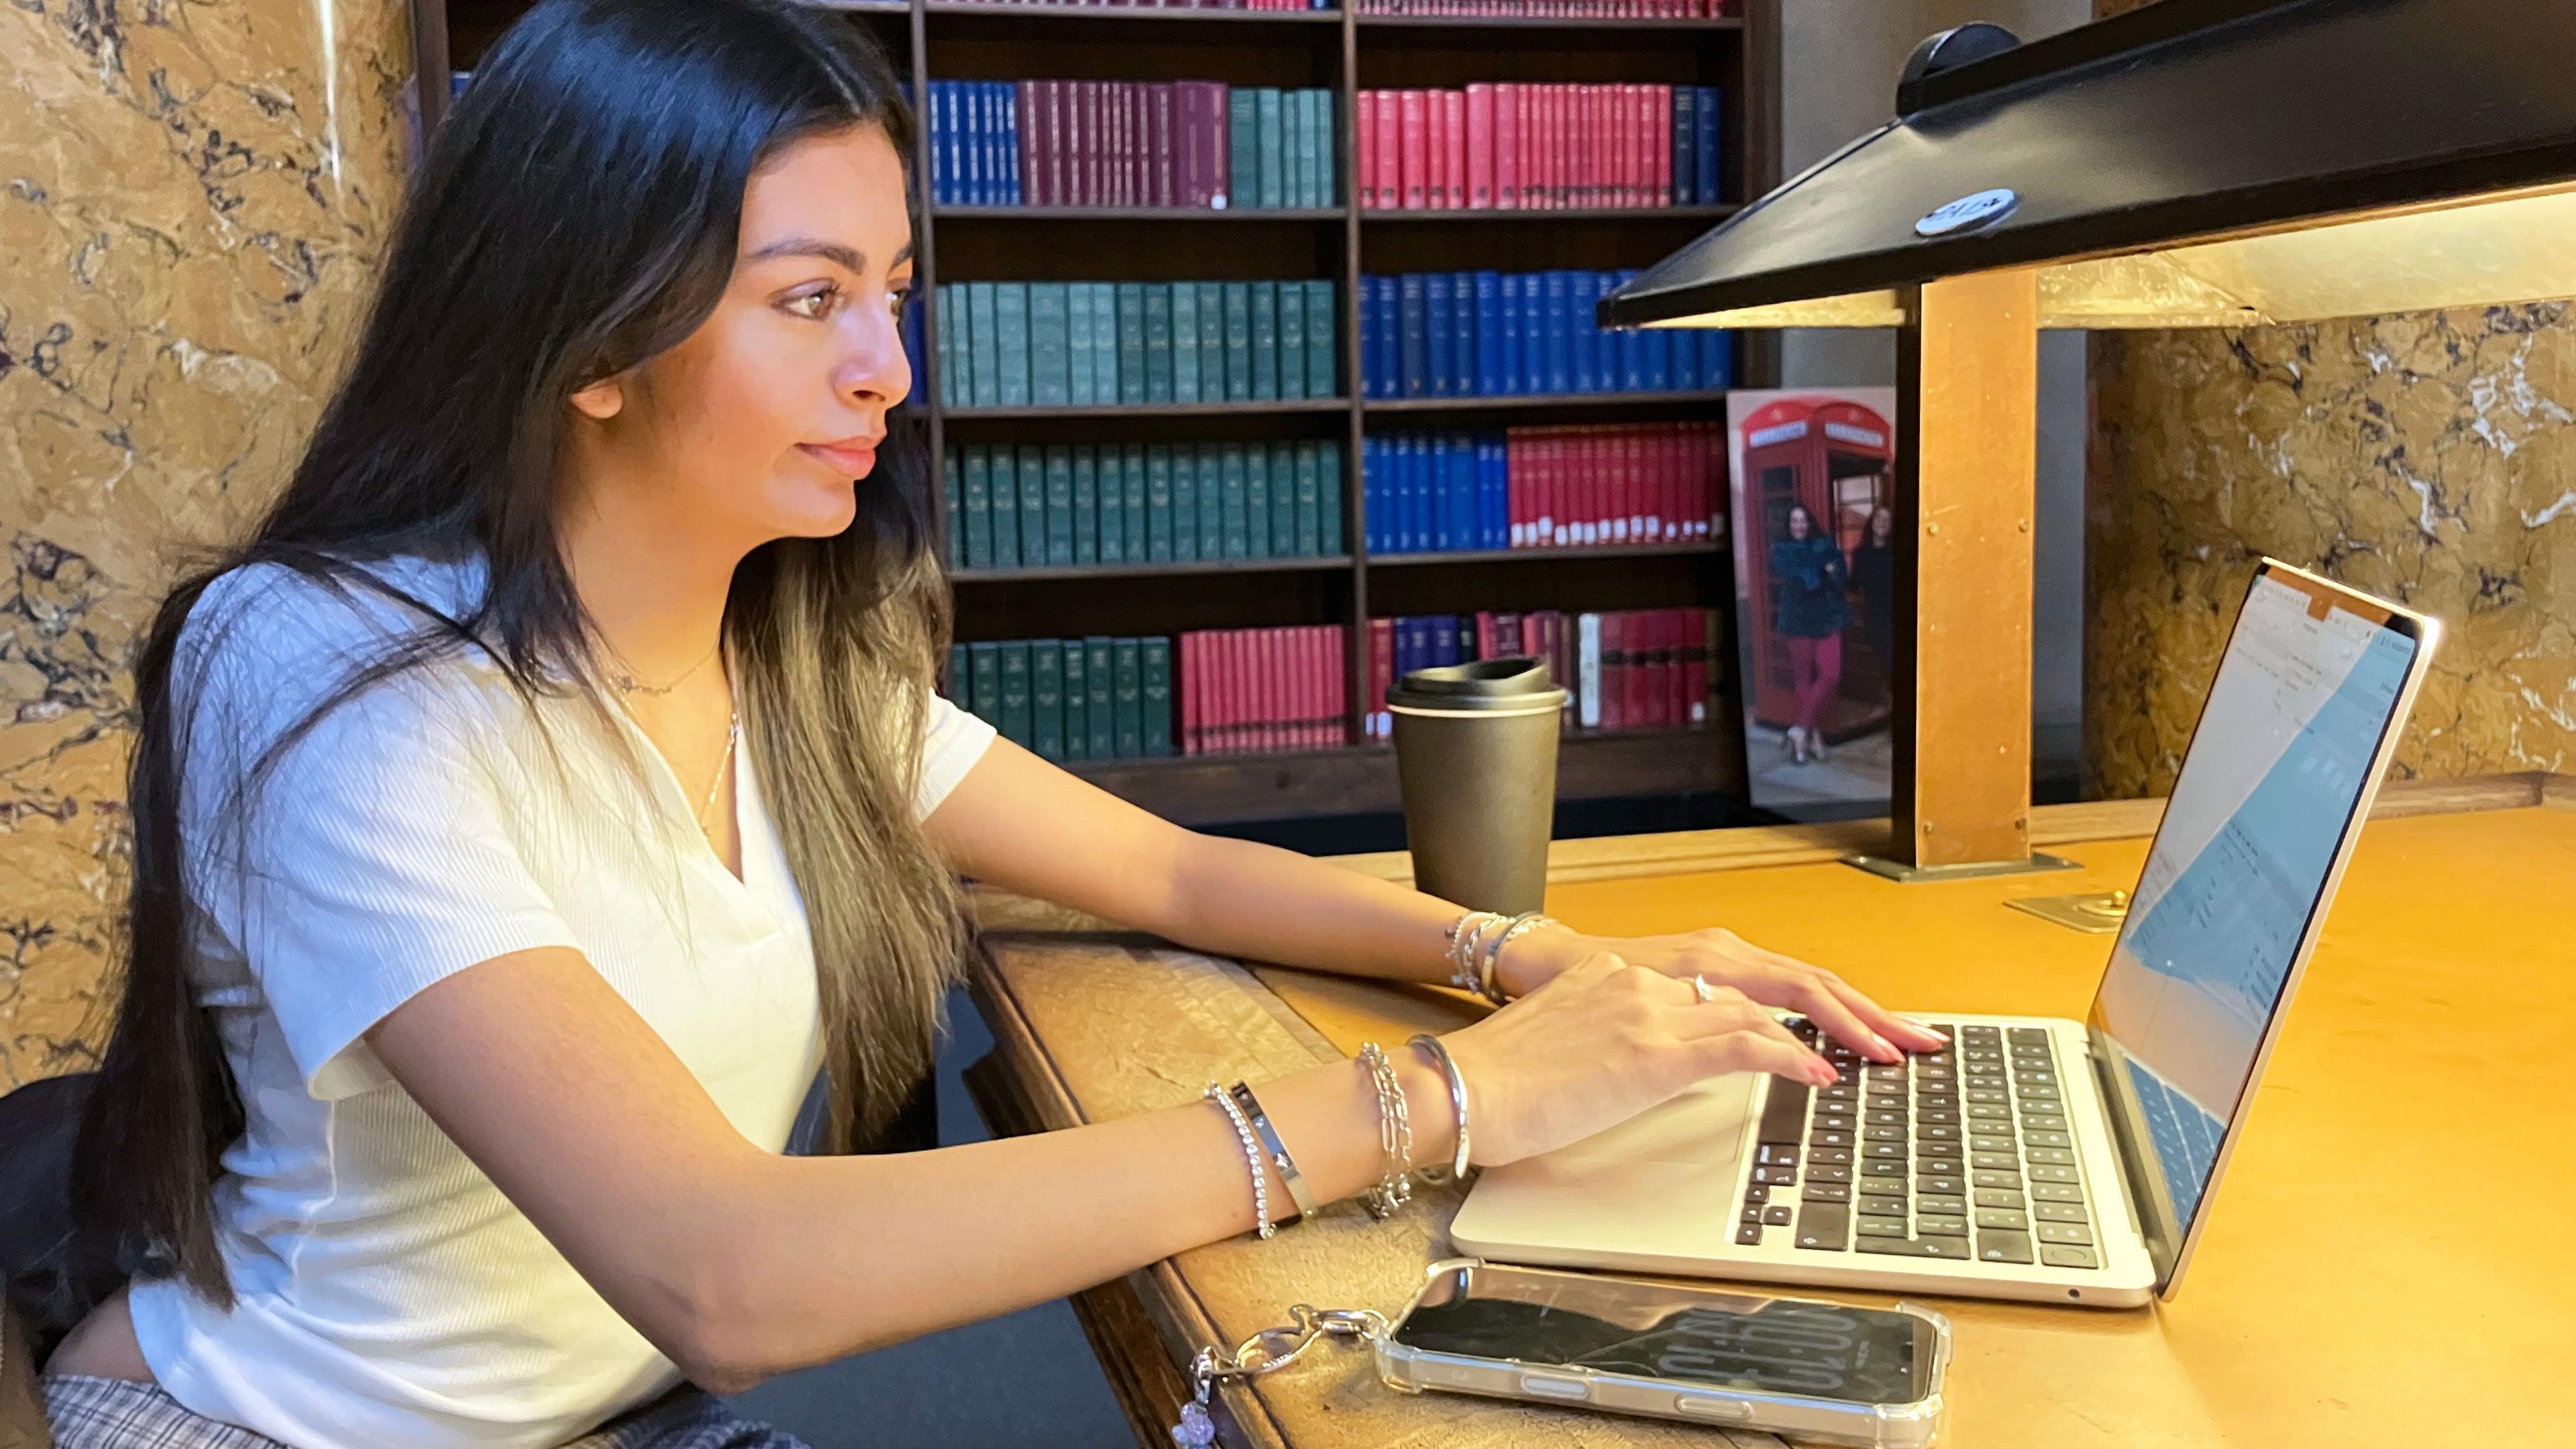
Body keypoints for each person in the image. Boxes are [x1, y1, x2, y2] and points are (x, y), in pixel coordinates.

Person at [38, 3, 1946, 1446]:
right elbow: (727, 1271)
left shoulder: (788, 652)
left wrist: (1542, 960)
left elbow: (1177, 865)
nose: (887, 370)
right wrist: (1447, 1104)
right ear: (594, 334)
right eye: (809, 302)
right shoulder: (320, 670)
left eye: (891, 295)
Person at [1768, 503, 1849, 765]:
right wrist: (1821, 571)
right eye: (1794, 522)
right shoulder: (1781, 551)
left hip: (1828, 617)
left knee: (1830, 673)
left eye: (1803, 521)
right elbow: (1803, 580)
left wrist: (1825, 573)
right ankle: (1813, 738)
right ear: (1788, 526)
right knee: (1804, 678)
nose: (1799, 526)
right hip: (1798, 621)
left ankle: (1799, 729)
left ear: (1810, 523)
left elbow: (1841, 576)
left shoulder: (1825, 544)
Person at [1849, 503, 1898, 699]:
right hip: (1875, 619)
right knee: (1887, 663)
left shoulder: (1896, 551)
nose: (1882, 523)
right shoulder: (1860, 554)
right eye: (1878, 518)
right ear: (1872, 522)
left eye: (1887, 520)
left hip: (1896, 616)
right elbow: (1854, 584)